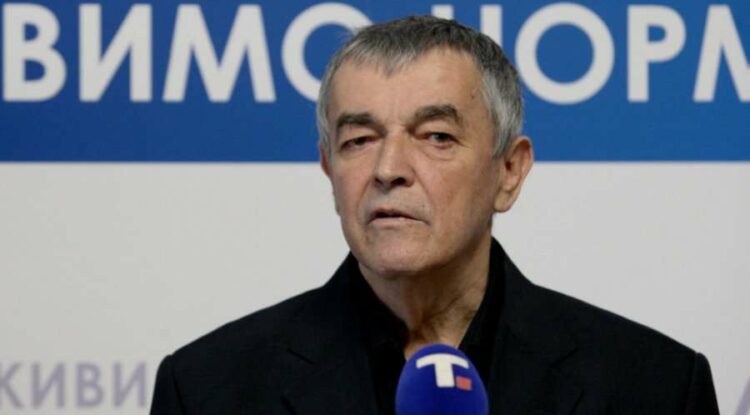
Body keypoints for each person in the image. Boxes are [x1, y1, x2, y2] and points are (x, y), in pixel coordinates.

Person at [150, 16, 719, 414]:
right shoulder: (207, 389)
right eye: (359, 140)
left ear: (509, 171)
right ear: (328, 168)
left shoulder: (655, 387)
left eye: (436, 136)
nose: (388, 169)